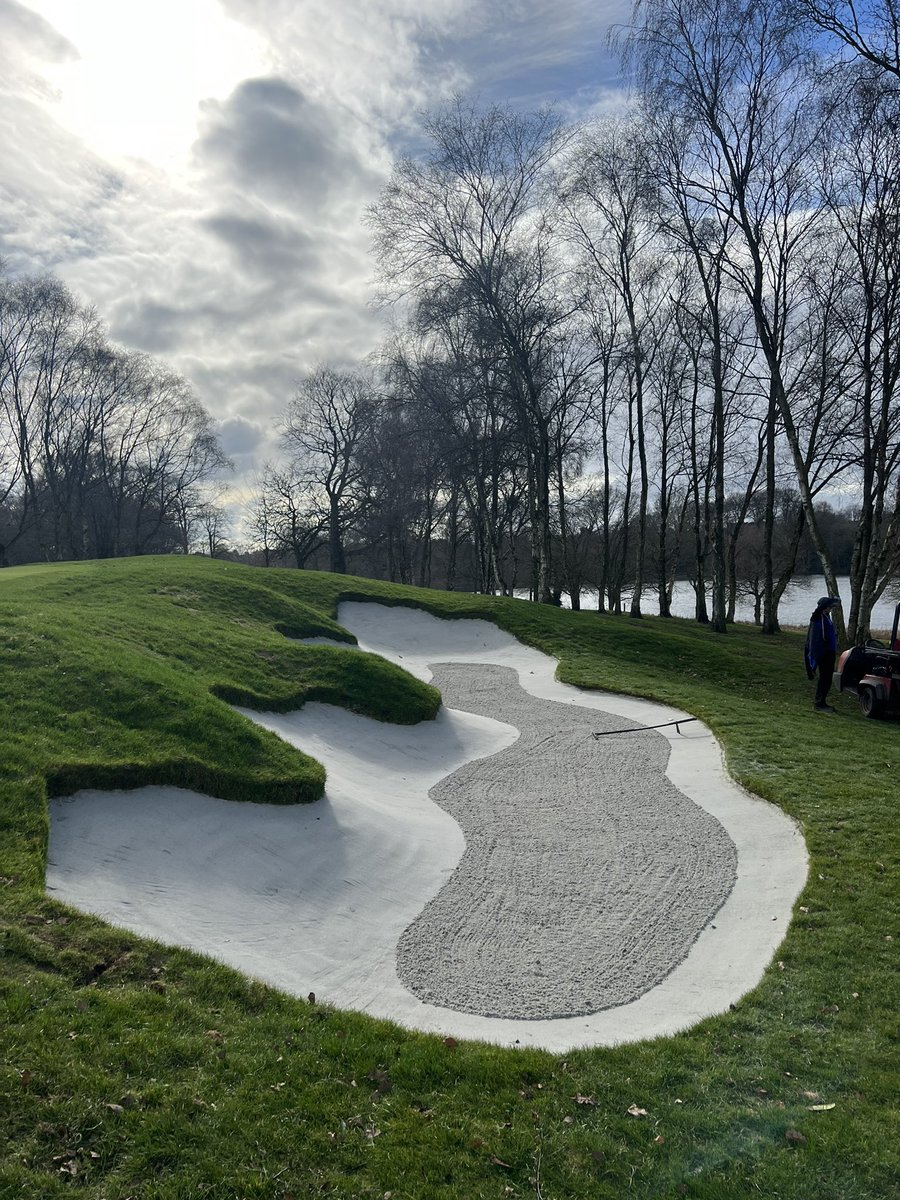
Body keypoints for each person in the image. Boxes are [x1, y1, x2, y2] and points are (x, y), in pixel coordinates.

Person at [805, 595, 841, 713]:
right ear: (823, 607)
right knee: (824, 678)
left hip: (829, 652)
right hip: (823, 653)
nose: (830, 609)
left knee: (827, 679)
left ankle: (822, 701)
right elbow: (816, 638)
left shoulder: (826, 617)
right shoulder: (817, 618)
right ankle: (819, 703)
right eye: (829, 607)